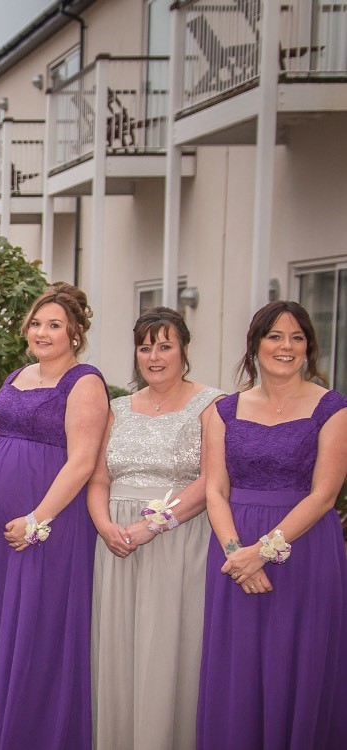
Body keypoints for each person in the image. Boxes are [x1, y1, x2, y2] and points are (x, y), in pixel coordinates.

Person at [196, 301, 347, 748]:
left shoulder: (332, 407)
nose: (286, 346)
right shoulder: (224, 410)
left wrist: (261, 551)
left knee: (298, 663)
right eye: (275, 336)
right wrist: (235, 553)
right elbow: (215, 491)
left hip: (304, 547)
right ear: (256, 344)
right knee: (237, 665)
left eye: (296, 337)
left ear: (308, 348)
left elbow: (325, 494)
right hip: (232, 548)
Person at [0, 282, 109, 749]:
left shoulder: (84, 381)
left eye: (55, 326)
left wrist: (37, 519)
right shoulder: (16, 376)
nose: (42, 333)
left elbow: (83, 460)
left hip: (48, 525)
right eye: (37, 324)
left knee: (37, 630)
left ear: (76, 333)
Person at [86, 308, 221, 750]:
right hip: (116, 541)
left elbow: (212, 481)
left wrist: (153, 525)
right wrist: (105, 525)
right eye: (146, 347)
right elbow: (100, 477)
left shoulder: (213, 404)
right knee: (120, 648)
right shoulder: (118, 408)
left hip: (178, 538)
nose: (154, 356)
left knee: (167, 647)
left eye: (165, 346)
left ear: (184, 350)